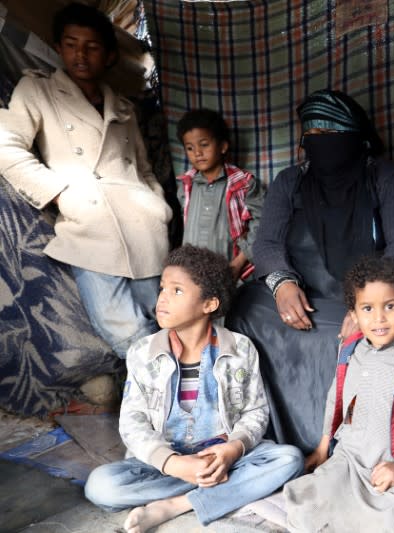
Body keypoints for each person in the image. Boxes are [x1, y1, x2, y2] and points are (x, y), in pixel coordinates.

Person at [226, 89, 394, 456]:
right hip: (306, 293)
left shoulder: (387, 178)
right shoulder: (290, 182)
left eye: (330, 136)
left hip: (371, 296)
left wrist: (365, 306)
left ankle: (345, 447)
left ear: (355, 136)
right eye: (311, 136)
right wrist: (281, 283)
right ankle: (266, 436)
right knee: (245, 308)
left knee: (385, 324)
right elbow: (266, 245)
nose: (319, 144)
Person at [83, 245, 304, 532]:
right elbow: (132, 422)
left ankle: (178, 504)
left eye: (176, 291)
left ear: (209, 304)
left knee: (288, 460)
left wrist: (232, 451)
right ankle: (219, 491)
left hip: (223, 460)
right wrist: (174, 464)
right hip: (167, 463)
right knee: (101, 486)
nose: (162, 298)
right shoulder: (143, 351)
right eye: (162, 288)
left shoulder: (240, 349)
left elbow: (255, 411)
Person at [0, 3, 171, 359]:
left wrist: (158, 205)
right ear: (59, 47)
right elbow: (7, 146)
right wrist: (60, 194)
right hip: (89, 222)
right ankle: (162, 406)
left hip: (144, 226)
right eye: (71, 44)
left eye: (91, 46)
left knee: (162, 323)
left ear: (108, 55)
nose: (80, 54)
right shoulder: (38, 90)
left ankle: (165, 406)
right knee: (124, 331)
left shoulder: (123, 108)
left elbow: (144, 168)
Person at [283, 254, 394, 532]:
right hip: (349, 459)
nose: (379, 318)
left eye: (390, 306)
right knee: (307, 504)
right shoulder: (350, 351)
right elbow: (336, 397)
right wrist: (322, 447)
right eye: (367, 308)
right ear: (353, 314)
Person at [176, 109, 264, 281]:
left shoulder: (244, 184)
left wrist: (238, 263)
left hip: (232, 273)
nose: (197, 153)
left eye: (204, 144)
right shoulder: (186, 185)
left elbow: (263, 224)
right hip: (192, 276)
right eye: (190, 148)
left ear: (223, 146)